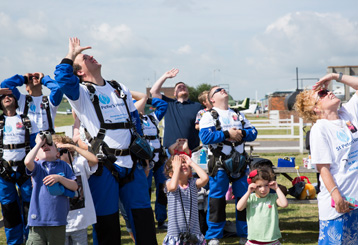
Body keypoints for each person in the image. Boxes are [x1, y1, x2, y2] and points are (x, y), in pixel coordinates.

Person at [54, 37, 157, 244]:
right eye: (85, 58)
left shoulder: (119, 88)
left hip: (133, 163)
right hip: (104, 167)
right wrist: (72, 54)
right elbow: (63, 79)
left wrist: (145, 156)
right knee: (107, 224)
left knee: (144, 220)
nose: (91, 55)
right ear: (80, 72)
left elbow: (134, 121)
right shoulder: (80, 94)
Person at [294, 72, 358, 244]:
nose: (329, 92)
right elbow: (323, 169)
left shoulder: (348, 114)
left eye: (326, 91)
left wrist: (335, 76)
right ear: (315, 108)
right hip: (339, 204)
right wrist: (337, 197)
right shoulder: (319, 129)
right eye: (321, 94)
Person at [199, 86, 258, 245]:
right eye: (218, 90)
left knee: (244, 199)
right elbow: (205, 137)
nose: (222, 90)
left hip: (240, 163)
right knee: (217, 201)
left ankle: (245, 233)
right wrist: (227, 134)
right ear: (212, 99)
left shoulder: (238, 114)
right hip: (219, 164)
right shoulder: (208, 116)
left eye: (223, 88)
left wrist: (242, 134)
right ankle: (214, 236)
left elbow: (253, 132)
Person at [0, 91, 39, 245]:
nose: (7, 98)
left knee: (29, 207)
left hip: (25, 171)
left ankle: (32, 240)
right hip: (3, 171)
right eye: (3, 97)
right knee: (9, 209)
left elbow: (36, 145)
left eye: (10, 96)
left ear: (17, 101)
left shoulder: (27, 120)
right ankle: (14, 242)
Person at [24, 133, 78, 245]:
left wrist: (60, 178)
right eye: (42, 147)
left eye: (50, 145)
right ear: (37, 156)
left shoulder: (63, 165)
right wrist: (39, 143)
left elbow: (74, 186)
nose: (45, 147)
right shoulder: (38, 166)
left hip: (57, 220)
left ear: (58, 153)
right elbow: (27, 162)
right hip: (37, 220)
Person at [131, 90, 169, 230]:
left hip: (159, 161)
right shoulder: (132, 120)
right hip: (143, 162)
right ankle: (146, 221)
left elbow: (163, 105)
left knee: (162, 190)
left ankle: (161, 220)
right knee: (144, 191)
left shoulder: (152, 118)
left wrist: (146, 100)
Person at [52, 135, 98, 245]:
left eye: (60, 149)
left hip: (79, 221)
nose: (58, 153)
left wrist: (75, 147)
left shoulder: (79, 163)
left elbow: (94, 160)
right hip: (60, 221)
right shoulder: (51, 166)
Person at [150, 69, 203, 150]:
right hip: (170, 150)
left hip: (192, 150)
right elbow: (153, 92)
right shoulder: (168, 103)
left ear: (188, 92)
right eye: (179, 87)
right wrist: (165, 76)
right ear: (174, 93)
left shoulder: (197, 106)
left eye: (184, 87)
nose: (182, 87)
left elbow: (203, 126)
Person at [162, 154, 209, 245]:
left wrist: (191, 163)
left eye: (184, 162)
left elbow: (205, 178)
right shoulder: (169, 183)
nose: (182, 165)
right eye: (178, 164)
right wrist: (176, 168)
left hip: (193, 234)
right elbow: (173, 187)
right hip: (176, 235)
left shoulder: (193, 183)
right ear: (171, 174)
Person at [236, 168, 288, 245]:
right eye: (259, 186)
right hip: (253, 241)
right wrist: (248, 192)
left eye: (266, 185)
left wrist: (277, 188)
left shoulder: (273, 197)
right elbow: (239, 207)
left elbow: (284, 204)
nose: (263, 189)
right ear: (252, 186)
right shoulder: (250, 198)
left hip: (272, 240)